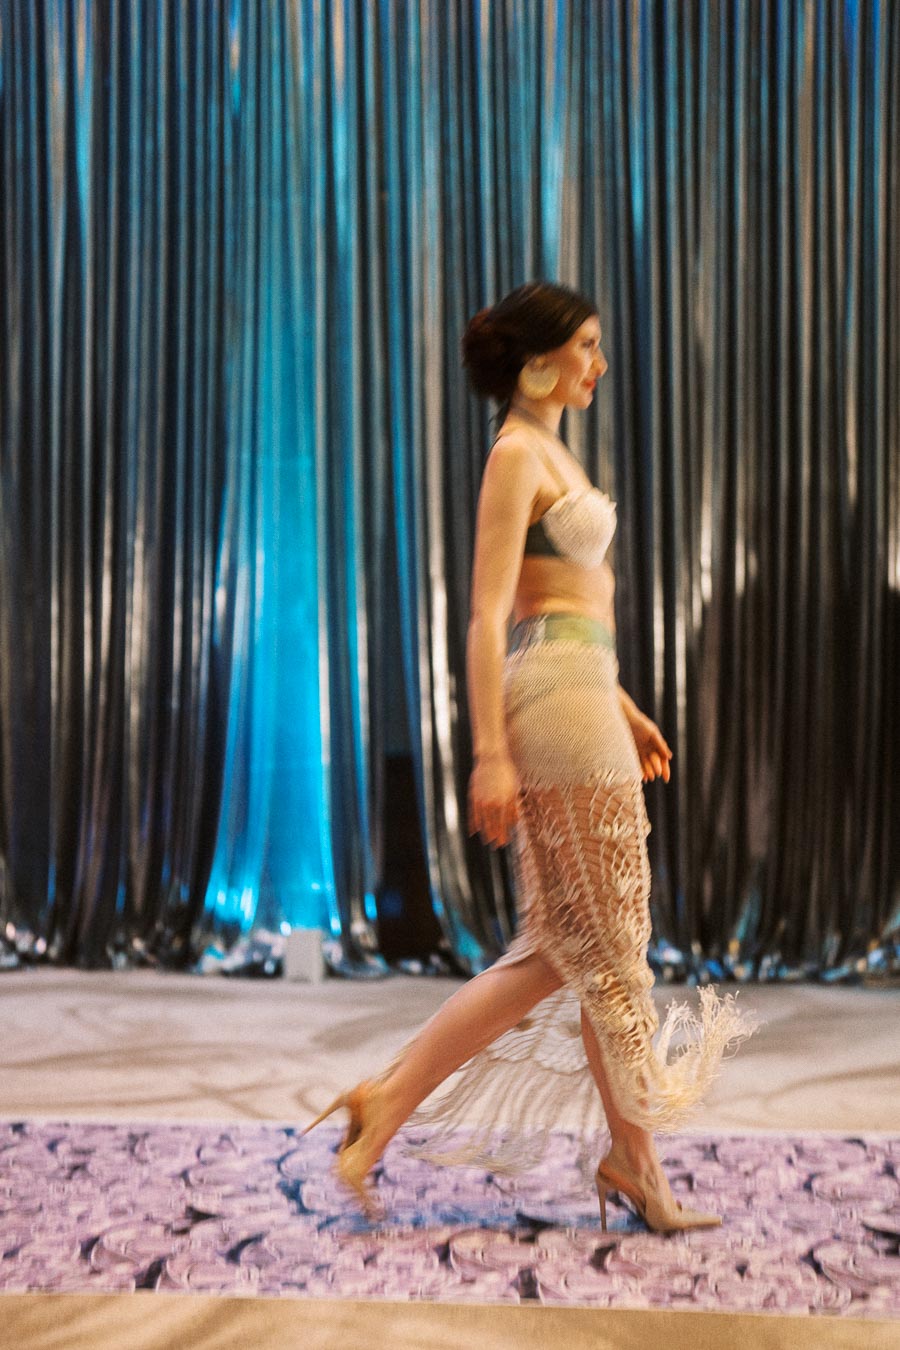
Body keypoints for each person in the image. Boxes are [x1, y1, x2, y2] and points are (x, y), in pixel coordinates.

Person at [305, 281, 758, 1233]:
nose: (598, 364)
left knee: (566, 951)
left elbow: (576, 608)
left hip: (583, 693)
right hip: (550, 703)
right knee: (603, 949)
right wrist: (488, 754)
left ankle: (394, 1108)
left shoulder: (553, 447)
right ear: (538, 361)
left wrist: (623, 704)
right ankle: (629, 1162)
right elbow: (490, 612)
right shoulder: (517, 453)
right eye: (586, 346)